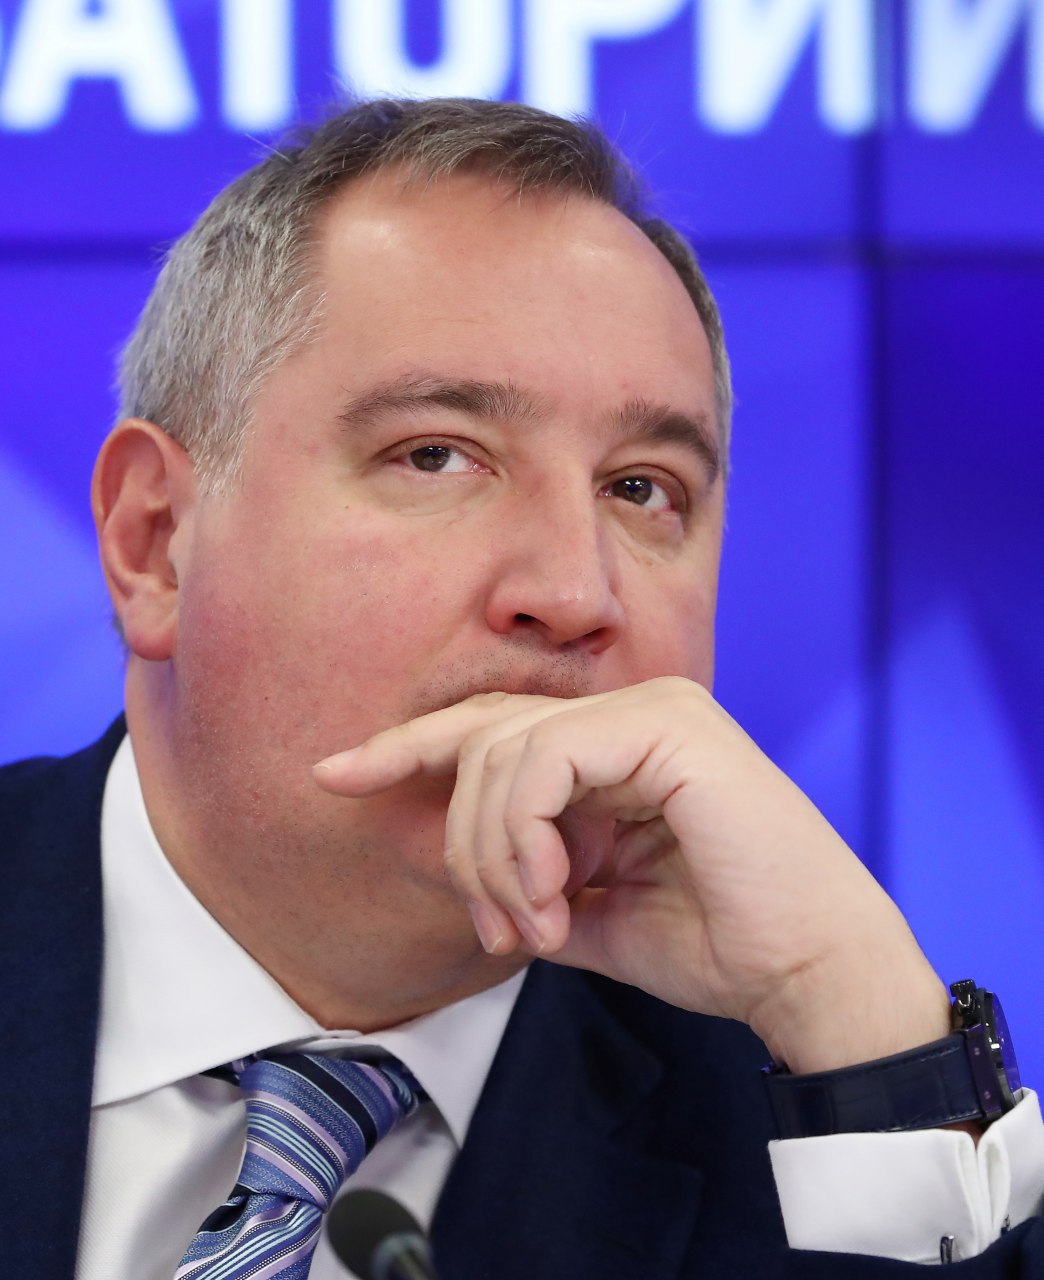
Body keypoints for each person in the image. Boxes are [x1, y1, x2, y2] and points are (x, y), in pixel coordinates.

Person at [1, 97, 1041, 1280]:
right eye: (436, 454)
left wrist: (873, 1036)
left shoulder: (811, 1118)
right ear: (155, 542)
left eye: (641, 488)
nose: (572, 590)